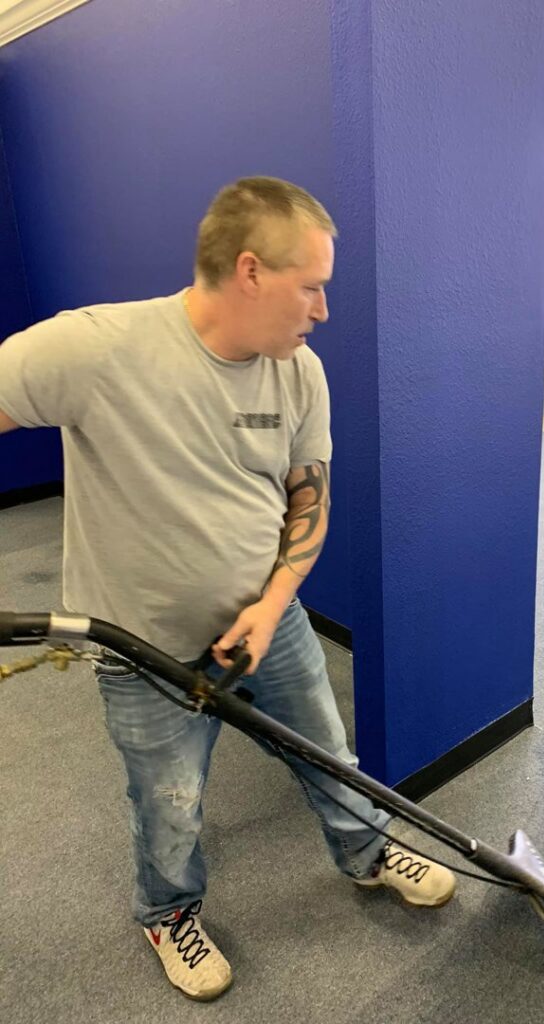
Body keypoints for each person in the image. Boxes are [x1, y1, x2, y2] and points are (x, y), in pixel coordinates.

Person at [0, 177, 456, 1001]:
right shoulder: (97, 348)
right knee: (169, 802)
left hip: (267, 622)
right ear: (250, 271)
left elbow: (307, 499)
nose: (321, 309)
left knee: (330, 755)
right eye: (311, 286)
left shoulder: (298, 372)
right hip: (140, 643)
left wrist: (271, 604)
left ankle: (365, 851)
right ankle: (168, 910)